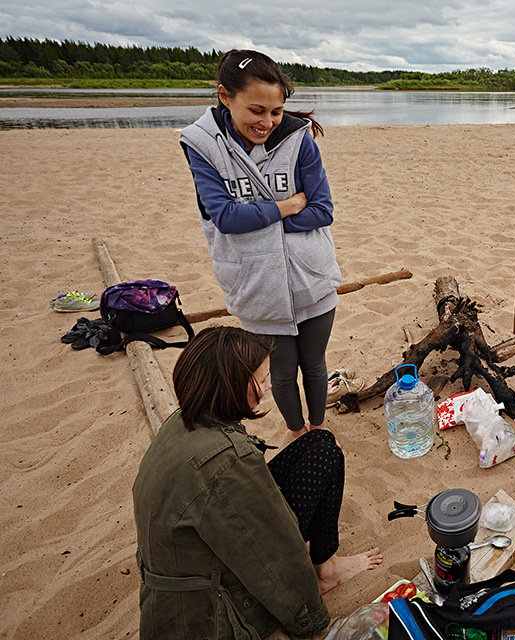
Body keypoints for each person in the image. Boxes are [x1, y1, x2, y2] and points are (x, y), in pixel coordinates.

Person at [133, 326, 382, 639]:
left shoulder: (184, 419)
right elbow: (272, 553)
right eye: (263, 380)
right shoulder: (227, 461)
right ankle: (326, 574)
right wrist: (311, 619)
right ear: (232, 387)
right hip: (210, 602)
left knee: (321, 445)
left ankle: (323, 560)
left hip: (186, 567)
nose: (268, 387)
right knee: (320, 463)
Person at [180, 49, 341, 439]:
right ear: (225, 96)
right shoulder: (201, 145)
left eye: (276, 112)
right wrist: (287, 206)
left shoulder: (300, 141)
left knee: (315, 365)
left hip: (312, 279)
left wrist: (255, 219)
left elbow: (322, 211)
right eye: (256, 110)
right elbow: (224, 218)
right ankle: (298, 432)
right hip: (257, 288)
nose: (267, 122)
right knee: (281, 373)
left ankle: (318, 427)